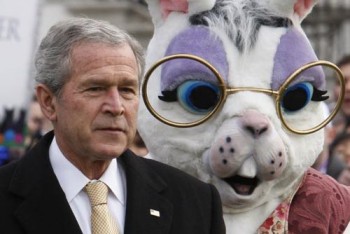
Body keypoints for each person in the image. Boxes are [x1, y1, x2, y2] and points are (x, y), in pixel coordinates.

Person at [0, 18, 225, 234]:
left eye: (127, 90)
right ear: (48, 102)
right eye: (95, 88)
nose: (116, 107)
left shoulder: (196, 202)